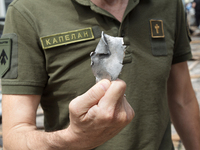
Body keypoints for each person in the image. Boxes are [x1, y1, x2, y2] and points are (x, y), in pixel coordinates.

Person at [0, 0, 200, 149]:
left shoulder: (168, 4)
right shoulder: (28, 11)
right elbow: (14, 134)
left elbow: (182, 98)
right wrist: (73, 138)